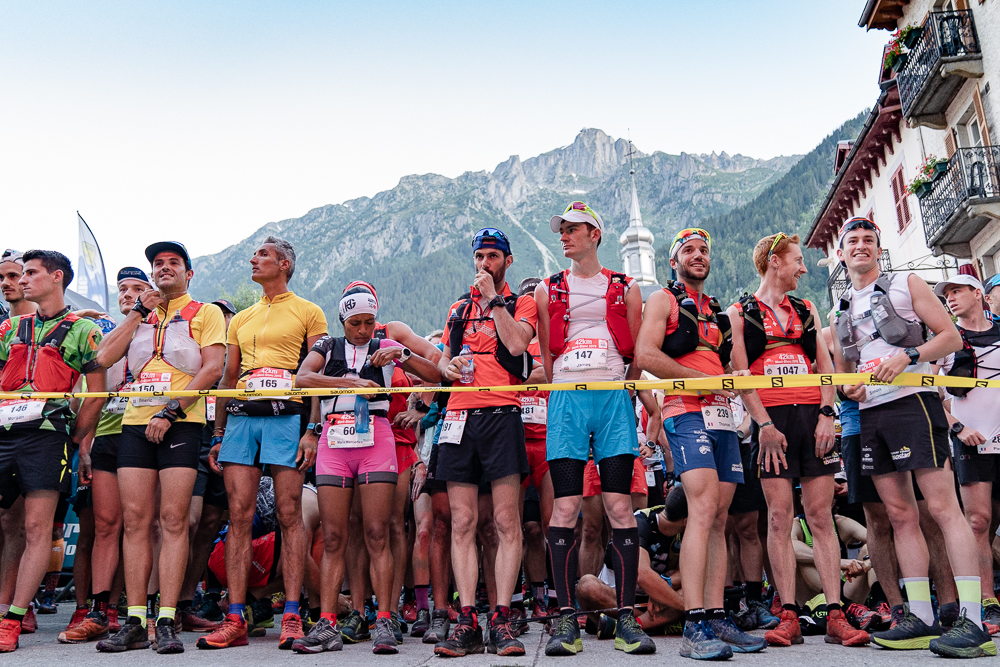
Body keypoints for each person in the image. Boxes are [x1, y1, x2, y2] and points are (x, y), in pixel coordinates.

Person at [830, 218, 991, 658]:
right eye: (852, 241)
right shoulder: (840, 308)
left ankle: (974, 621)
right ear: (841, 254)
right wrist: (848, 389)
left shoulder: (907, 283)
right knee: (900, 515)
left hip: (914, 403)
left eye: (869, 240)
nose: (861, 246)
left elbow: (952, 338)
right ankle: (918, 616)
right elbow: (845, 371)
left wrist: (909, 355)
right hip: (871, 413)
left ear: (878, 250)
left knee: (942, 509)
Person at [727, 232, 868, 647]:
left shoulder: (806, 309)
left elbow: (824, 368)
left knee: (821, 517)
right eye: (797, 261)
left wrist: (827, 415)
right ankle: (788, 613)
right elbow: (741, 376)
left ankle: (836, 615)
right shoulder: (739, 313)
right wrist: (764, 426)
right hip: (772, 423)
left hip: (812, 420)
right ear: (774, 261)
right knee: (778, 518)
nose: (803, 269)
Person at [533, 202, 657, 656]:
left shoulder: (626, 287)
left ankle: (626, 620)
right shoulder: (548, 288)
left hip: (612, 400)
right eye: (562, 230)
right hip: (567, 399)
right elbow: (545, 351)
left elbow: (637, 351)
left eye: (572, 229)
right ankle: (566, 620)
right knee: (565, 509)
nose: (564, 236)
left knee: (619, 508)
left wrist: (626, 389)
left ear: (595, 234)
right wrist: (559, 390)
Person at [635, 228, 765, 660]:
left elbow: (732, 369)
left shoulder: (717, 312)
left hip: (722, 415)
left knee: (720, 517)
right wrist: (703, 381)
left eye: (704, 250)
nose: (698, 255)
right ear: (673, 261)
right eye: (688, 250)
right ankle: (694, 624)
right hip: (685, 410)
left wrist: (744, 395)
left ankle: (716, 614)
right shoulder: (663, 300)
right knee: (703, 508)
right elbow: (645, 355)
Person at [292, 284, 439, 654]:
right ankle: (327, 623)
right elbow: (302, 378)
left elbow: (436, 374)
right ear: (343, 321)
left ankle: (385, 619)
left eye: (369, 322)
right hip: (334, 441)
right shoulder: (327, 346)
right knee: (334, 536)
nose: (362, 330)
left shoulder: (383, 345)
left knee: (377, 532)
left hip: (376, 439)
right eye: (354, 323)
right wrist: (347, 382)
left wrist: (402, 354)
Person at [94, 241, 225, 654]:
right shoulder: (141, 313)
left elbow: (213, 368)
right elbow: (103, 357)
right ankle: (135, 620)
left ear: (188, 273)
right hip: (134, 421)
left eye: (173, 262)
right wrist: (137, 312)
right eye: (158, 264)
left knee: (172, 521)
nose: (164, 268)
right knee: (135, 522)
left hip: (181, 421)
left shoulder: (205, 312)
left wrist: (170, 410)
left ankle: (166, 618)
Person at [198, 237, 327, 651]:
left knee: (290, 515)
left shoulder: (309, 311)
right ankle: (235, 618)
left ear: (284, 264)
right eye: (255, 254)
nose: (253, 259)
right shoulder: (241, 318)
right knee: (239, 516)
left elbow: (314, 377)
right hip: (241, 420)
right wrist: (218, 433)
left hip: (287, 418)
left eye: (263, 254)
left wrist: (313, 430)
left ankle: (292, 614)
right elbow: (228, 377)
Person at [434, 228, 536, 657]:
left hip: (502, 414)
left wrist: (494, 299)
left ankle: (502, 617)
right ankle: (467, 620)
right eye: (479, 256)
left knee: (506, 522)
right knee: (462, 522)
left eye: (493, 256)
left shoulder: (520, 302)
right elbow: (443, 360)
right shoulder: (459, 308)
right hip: (459, 416)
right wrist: (448, 366)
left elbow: (517, 343)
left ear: (507, 261)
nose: (484, 264)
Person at [0, 250, 106, 653]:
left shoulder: (84, 330)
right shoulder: (10, 327)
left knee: (36, 528)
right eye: (21, 273)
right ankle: (3, 608)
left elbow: (96, 393)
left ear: (57, 277)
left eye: (31, 272)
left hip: (47, 437)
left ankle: (12, 620)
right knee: (8, 526)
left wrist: (76, 438)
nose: (23, 280)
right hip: (4, 431)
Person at [57, 267, 152, 644]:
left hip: (145, 432)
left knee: (143, 526)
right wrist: (85, 444)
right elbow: (92, 391)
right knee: (103, 525)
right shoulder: (104, 331)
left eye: (137, 288)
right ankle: (96, 611)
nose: (128, 294)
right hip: (107, 435)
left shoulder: (159, 328)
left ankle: (140, 611)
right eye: (123, 288)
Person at [937, 275, 1000, 627]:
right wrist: (958, 428)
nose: (951, 298)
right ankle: (987, 601)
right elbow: (928, 392)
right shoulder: (948, 339)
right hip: (971, 442)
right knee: (977, 521)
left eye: (957, 291)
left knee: (992, 523)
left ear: (978, 294)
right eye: (947, 294)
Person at [577, 486, 689, 635]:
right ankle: (661, 623)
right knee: (587, 586)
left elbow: (690, 573)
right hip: (619, 598)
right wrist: (687, 608)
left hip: (658, 601)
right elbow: (642, 575)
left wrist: (662, 588)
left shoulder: (688, 532)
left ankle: (630, 626)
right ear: (686, 521)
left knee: (694, 590)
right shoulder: (640, 522)